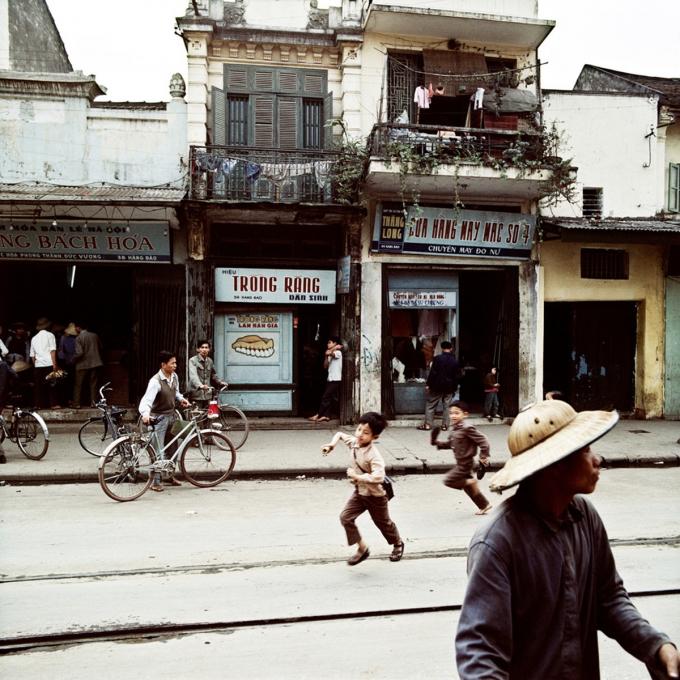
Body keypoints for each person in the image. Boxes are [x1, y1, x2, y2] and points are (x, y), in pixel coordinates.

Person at [455, 399, 680, 679]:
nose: (597, 460)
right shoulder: (497, 543)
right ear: (555, 466)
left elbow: (609, 599)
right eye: (586, 450)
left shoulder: (584, 517)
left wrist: (657, 645)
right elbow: (480, 654)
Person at [321, 411, 404, 565]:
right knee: (345, 518)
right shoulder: (354, 442)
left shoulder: (374, 455)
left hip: (376, 496)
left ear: (375, 437)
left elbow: (379, 477)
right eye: (359, 429)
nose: (360, 434)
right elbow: (339, 434)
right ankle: (362, 548)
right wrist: (331, 445)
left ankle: (398, 543)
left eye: (366, 433)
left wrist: (357, 477)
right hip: (360, 492)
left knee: (383, 524)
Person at [139, 351, 190, 492]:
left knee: (173, 448)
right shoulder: (155, 381)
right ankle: (155, 481)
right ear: (163, 365)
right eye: (172, 363)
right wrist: (145, 414)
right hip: (159, 419)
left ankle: (169, 476)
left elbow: (176, 392)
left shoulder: (174, 376)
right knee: (158, 451)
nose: (175, 365)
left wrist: (181, 399)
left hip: (172, 417)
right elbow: (146, 401)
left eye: (175, 362)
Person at [430, 400, 492, 515]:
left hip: (465, 463)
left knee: (449, 480)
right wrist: (437, 442)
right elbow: (451, 444)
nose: (453, 416)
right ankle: (484, 505)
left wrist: (484, 456)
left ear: (465, 414)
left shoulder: (467, 428)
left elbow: (484, 441)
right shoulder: (455, 429)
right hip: (462, 462)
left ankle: (472, 482)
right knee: (468, 487)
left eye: (457, 413)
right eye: (451, 413)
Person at [418, 340, 460, 431]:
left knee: (430, 405)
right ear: (451, 349)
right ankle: (445, 425)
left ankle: (428, 425)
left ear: (442, 348)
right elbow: (456, 376)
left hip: (437, 386)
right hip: (449, 387)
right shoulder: (455, 361)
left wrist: (428, 384)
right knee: (447, 407)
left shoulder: (437, 359)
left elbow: (433, 373)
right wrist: (454, 388)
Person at [308, 336, 343, 423]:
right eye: (328, 342)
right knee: (329, 398)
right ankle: (326, 416)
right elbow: (325, 366)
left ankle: (318, 415)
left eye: (330, 342)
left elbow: (331, 353)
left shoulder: (338, 352)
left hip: (335, 379)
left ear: (335, 343)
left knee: (325, 397)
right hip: (330, 378)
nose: (328, 344)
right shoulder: (330, 353)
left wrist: (334, 349)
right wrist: (326, 356)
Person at [29, 317, 59, 409]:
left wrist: (35, 365)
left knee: (38, 387)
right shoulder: (50, 335)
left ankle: (38, 405)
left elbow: (32, 355)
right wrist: (55, 365)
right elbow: (52, 351)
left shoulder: (34, 338)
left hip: (38, 365)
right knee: (52, 385)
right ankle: (53, 404)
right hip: (49, 364)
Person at [72, 321, 103, 408]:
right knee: (94, 384)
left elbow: (79, 353)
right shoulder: (95, 335)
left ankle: (77, 403)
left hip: (82, 364)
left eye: (75, 327)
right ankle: (93, 403)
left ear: (78, 328)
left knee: (78, 385)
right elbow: (101, 347)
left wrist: (73, 359)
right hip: (95, 363)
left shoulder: (78, 338)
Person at [187, 340, 227, 406]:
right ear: (198, 349)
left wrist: (220, 382)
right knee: (197, 414)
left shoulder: (210, 361)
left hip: (207, 394)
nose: (204, 350)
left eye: (206, 347)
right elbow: (193, 376)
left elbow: (213, 374)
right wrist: (200, 385)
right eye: (202, 347)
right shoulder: (193, 360)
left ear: (209, 349)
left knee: (209, 414)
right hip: (196, 393)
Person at [57, 322, 79, 407]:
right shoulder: (76, 339)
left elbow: (61, 351)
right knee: (72, 382)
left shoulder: (63, 338)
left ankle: (66, 401)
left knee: (66, 382)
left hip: (65, 362)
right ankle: (70, 400)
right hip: (72, 362)